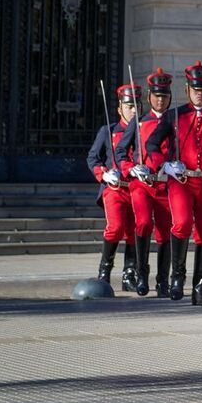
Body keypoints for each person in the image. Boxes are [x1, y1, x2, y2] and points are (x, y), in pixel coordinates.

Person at [145, 61, 202, 305]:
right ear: (187, 90)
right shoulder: (174, 115)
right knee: (181, 224)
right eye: (195, 90)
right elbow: (151, 144)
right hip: (182, 181)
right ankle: (177, 277)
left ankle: (199, 287)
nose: (199, 95)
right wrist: (165, 164)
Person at [115, 69, 174, 297]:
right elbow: (121, 151)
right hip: (142, 183)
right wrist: (131, 168)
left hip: (166, 184)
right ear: (149, 96)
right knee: (142, 224)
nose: (161, 100)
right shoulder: (139, 122)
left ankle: (162, 281)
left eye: (165, 96)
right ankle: (141, 275)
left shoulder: (175, 120)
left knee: (165, 232)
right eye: (157, 96)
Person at [86, 83, 141, 292]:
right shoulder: (108, 131)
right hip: (115, 189)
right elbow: (93, 157)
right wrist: (103, 173)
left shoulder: (144, 131)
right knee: (116, 227)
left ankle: (129, 273)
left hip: (136, 188)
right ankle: (104, 270)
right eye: (129, 106)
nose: (134, 111)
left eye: (137, 106)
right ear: (120, 109)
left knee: (135, 231)